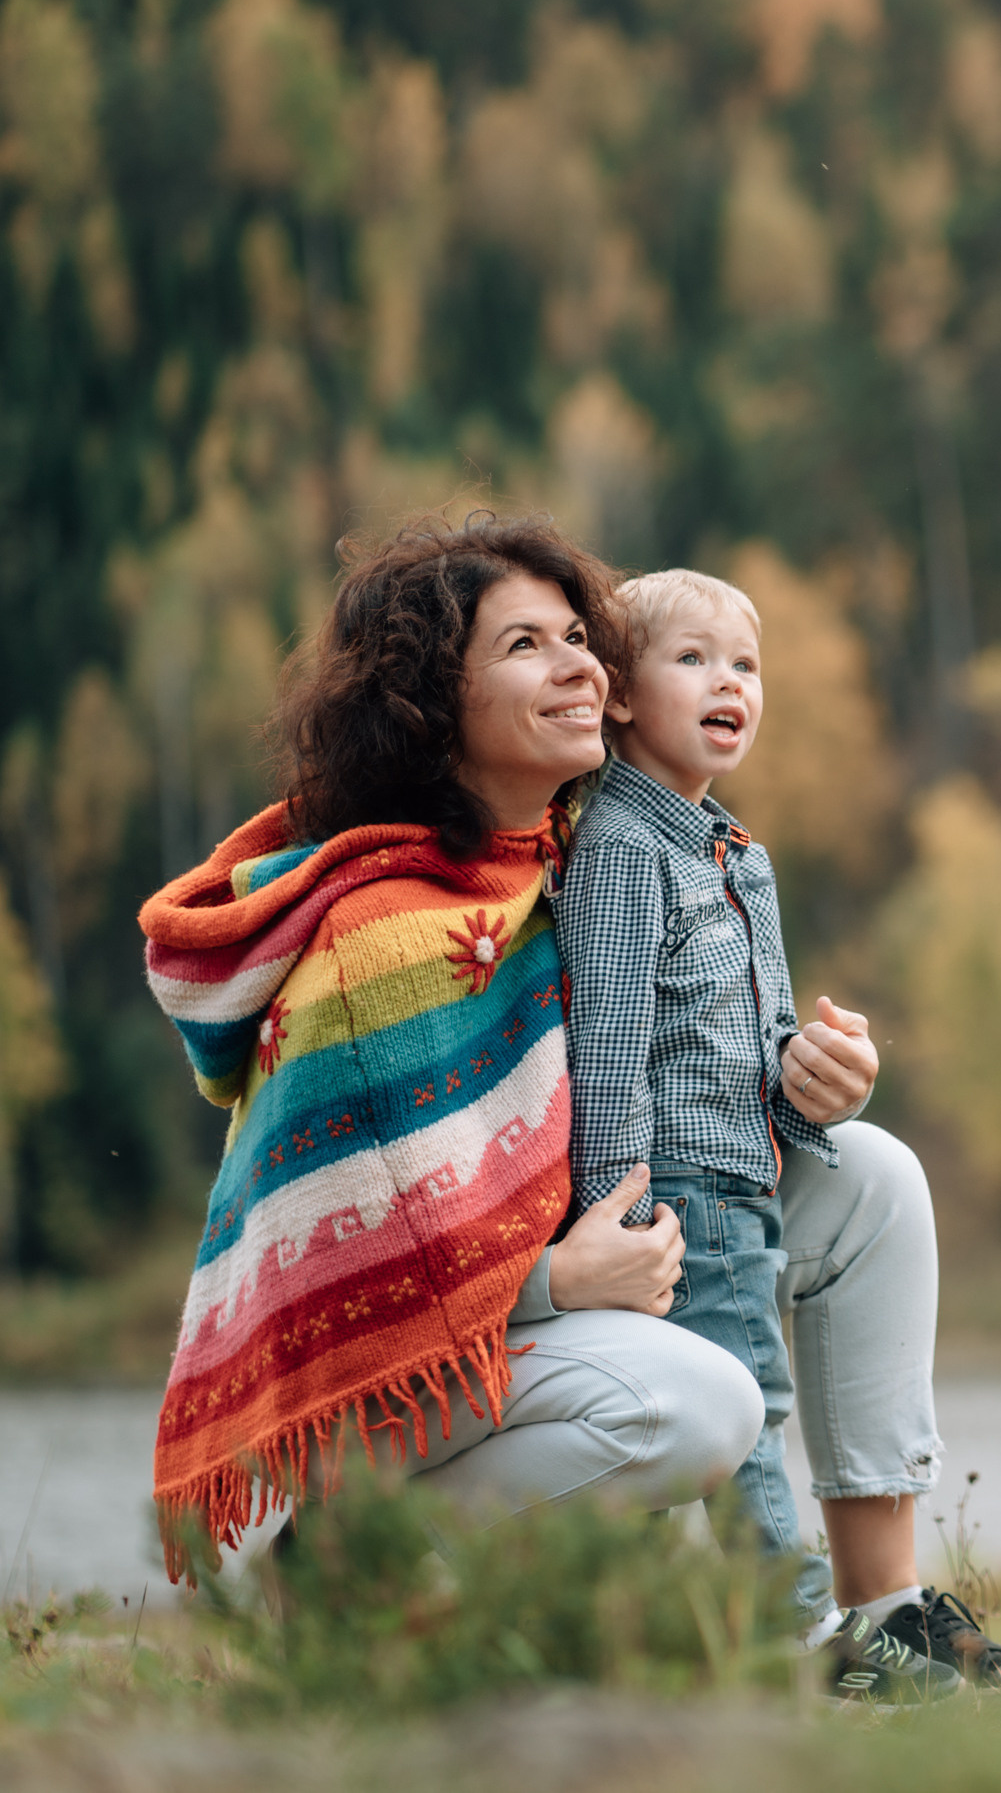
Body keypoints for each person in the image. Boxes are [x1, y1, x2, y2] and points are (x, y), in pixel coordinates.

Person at [140, 516, 764, 1583]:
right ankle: (348, 1558)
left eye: (579, 635)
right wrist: (556, 1284)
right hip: (382, 1382)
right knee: (703, 1404)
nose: (579, 665)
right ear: (429, 701)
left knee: (876, 1183)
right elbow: (380, 1250)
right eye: (526, 645)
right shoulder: (384, 936)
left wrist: (800, 1075)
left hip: (533, 1312)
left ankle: (877, 1601)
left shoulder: (565, 865)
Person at [559, 567, 1001, 1693]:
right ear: (622, 696)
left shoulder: (739, 855)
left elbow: (768, 1044)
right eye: (692, 659)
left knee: (754, 1389)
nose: (729, 681)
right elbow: (611, 1039)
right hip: (676, 1187)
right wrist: (621, 1207)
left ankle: (868, 1613)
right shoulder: (623, 850)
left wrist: (817, 1075)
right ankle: (801, 1642)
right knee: (746, 1400)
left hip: (746, 1169)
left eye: (746, 663)